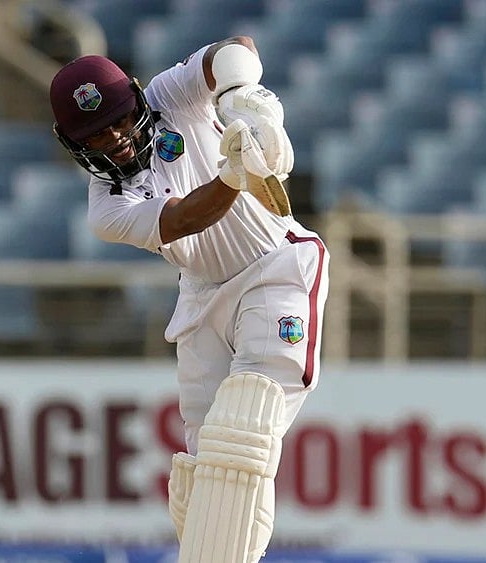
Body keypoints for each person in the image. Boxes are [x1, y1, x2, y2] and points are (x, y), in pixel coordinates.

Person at [49, 37, 329, 562]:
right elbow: (184, 219)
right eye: (96, 134)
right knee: (205, 474)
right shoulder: (107, 208)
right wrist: (234, 175)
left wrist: (243, 99)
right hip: (203, 297)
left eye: (118, 120)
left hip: (276, 267)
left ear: (136, 98)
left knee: (242, 430)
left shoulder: (169, 96)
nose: (115, 138)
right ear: (74, 144)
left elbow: (235, 47)